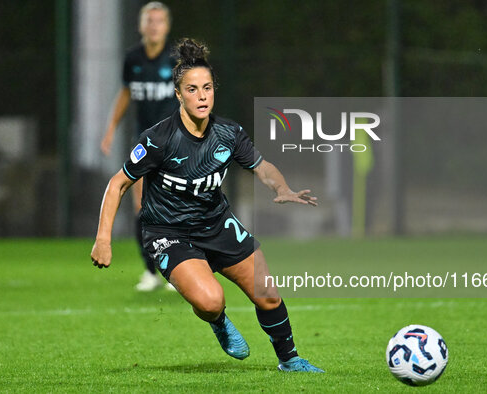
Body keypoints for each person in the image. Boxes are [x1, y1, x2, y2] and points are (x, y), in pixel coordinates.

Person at [91, 38, 324, 372]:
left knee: (268, 293)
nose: (201, 96)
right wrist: (103, 239)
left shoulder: (228, 133)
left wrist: (282, 187)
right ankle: (218, 321)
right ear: (178, 95)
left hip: (216, 224)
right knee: (211, 301)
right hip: (168, 232)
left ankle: (290, 360)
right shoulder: (158, 139)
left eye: (207, 88)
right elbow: (118, 183)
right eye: (192, 89)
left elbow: (262, 167)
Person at [101, 1, 179, 291]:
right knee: (142, 207)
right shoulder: (132, 57)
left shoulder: (177, 59)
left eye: (159, 21)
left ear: (166, 26)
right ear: (141, 25)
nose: (154, 26)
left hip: (174, 142)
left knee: (176, 206)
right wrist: (110, 129)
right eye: (149, 20)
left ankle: (176, 268)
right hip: (144, 143)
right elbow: (125, 93)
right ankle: (150, 271)